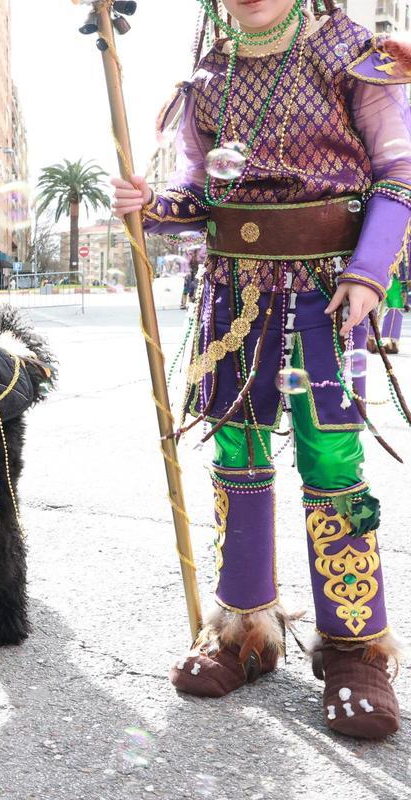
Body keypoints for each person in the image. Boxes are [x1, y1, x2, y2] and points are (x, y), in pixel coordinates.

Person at [113, 0, 407, 740]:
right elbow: (202, 193)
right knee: (235, 452)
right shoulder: (205, 72)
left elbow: (400, 174)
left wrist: (371, 273)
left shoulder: (355, 50)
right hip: (233, 290)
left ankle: (355, 647)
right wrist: (150, 204)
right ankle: (243, 627)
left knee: (332, 457)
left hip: (332, 289)